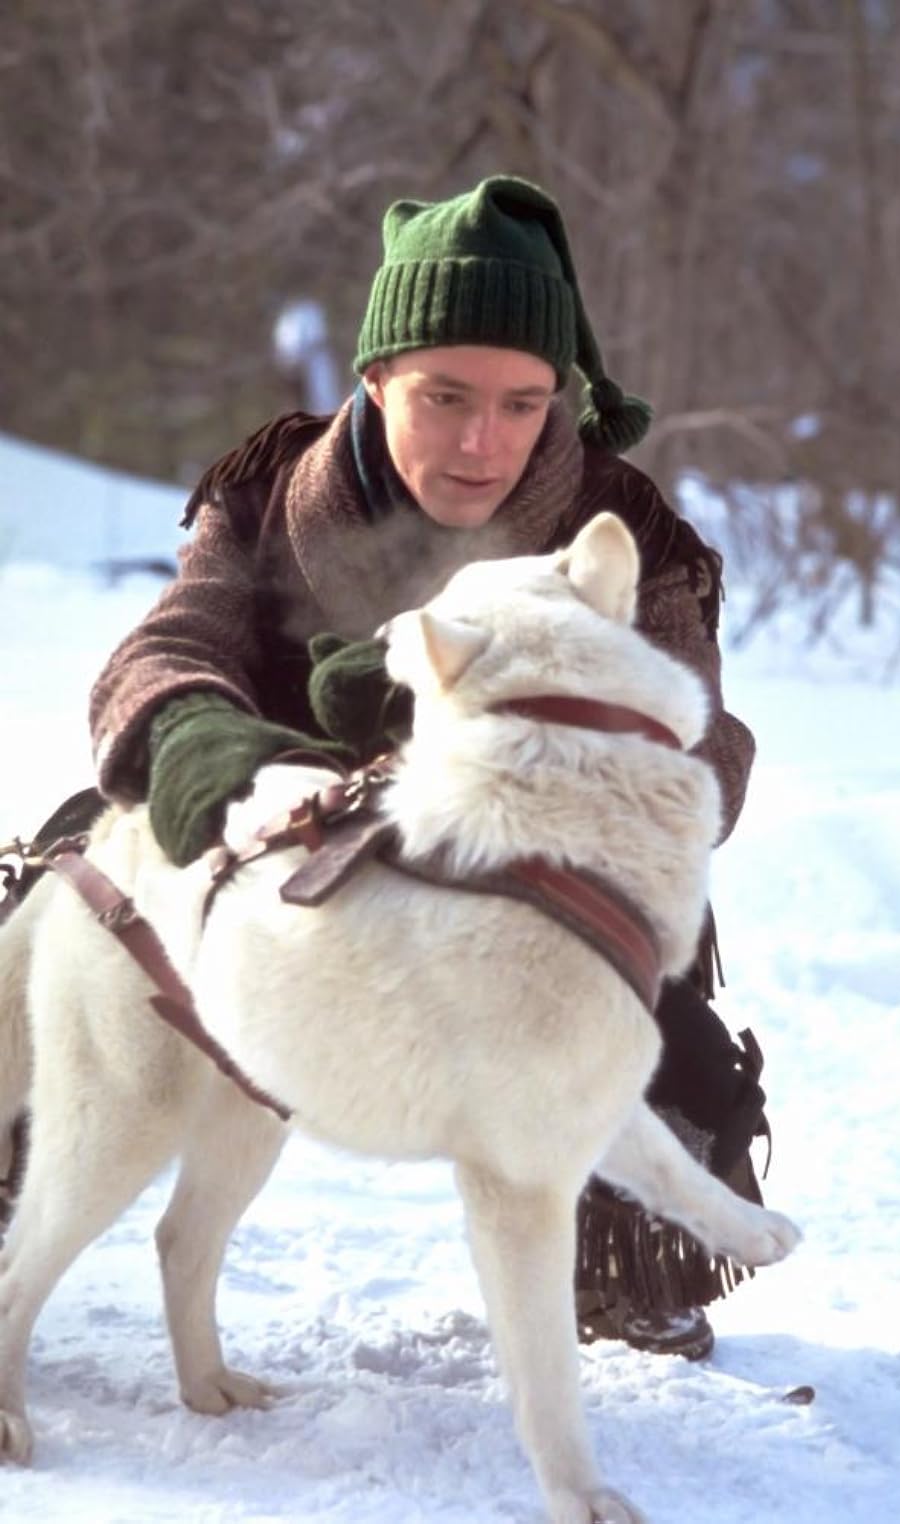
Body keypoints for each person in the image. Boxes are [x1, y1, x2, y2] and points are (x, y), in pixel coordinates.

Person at [83, 176, 768, 1359]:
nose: (480, 441)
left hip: (521, 893)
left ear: (559, 398)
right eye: (443, 396)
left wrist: (508, 759)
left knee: (662, 1037)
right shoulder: (264, 494)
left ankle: (617, 1263)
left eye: (519, 403)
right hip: (278, 849)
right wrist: (212, 747)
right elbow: (168, 647)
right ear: (374, 380)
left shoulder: (626, 528)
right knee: (62, 902)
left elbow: (704, 745)